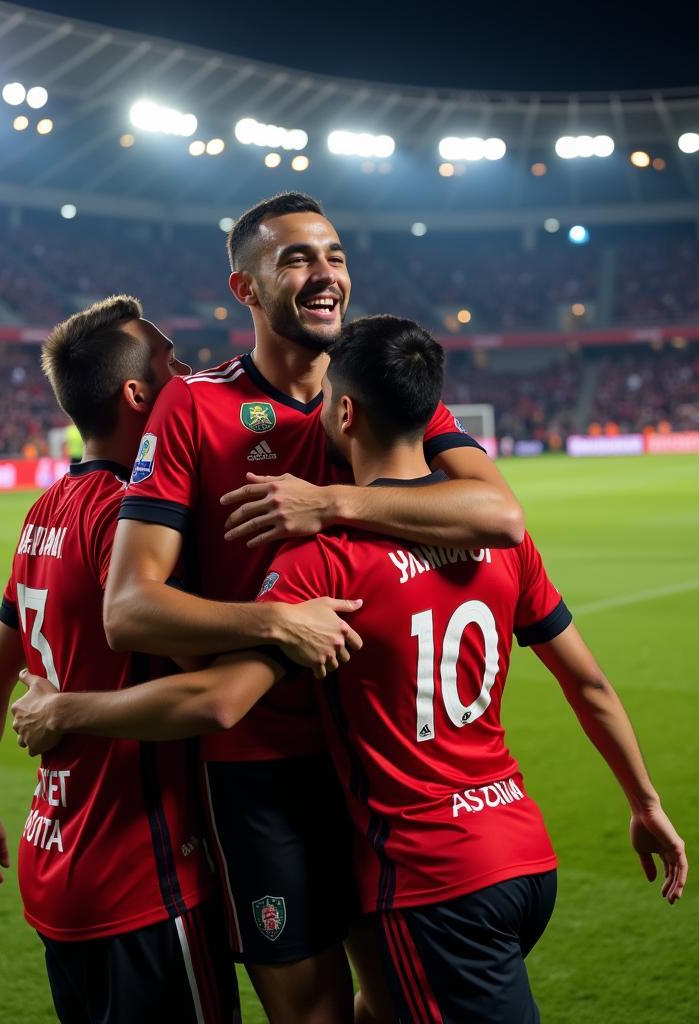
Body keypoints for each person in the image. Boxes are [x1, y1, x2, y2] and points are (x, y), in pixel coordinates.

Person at [13, 315, 688, 1024]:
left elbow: (217, 700)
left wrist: (66, 710)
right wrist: (645, 803)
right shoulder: (501, 544)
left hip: (430, 876)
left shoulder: (324, 562)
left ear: (341, 411)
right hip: (519, 852)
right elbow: (588, 682)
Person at [98, 192, 526, 1022]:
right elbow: (129, 607)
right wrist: (271, 622)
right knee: (314, 1014)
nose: (325, 273)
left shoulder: (370, 382)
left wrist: (331, 505)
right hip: (265, 769)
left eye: (332, 254)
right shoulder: (197, 406)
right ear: (245, 290)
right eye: (296, 258)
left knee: (403, 1004)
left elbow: (500, 515)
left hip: (379, 767)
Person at [0, 295, 244, 1023]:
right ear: (138, 393)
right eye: (171, 360)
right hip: (140, 870)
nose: (186, 370)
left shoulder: (43, 510)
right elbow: (214, 677)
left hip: (52, 859)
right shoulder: (130, 520)